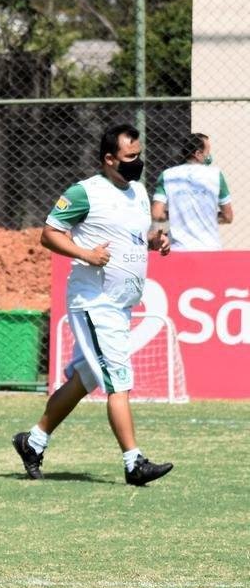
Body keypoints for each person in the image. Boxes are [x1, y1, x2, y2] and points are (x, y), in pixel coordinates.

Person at [12, 124, 174, 486]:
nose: (138, 163)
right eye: (130, 157)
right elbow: (49, 233)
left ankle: (33, 441)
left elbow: (133, 236)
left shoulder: (139, 192)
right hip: (94, 301)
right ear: (109, 158)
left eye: (139, 155)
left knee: (87, 378)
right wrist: (86, 253)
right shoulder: (84, 192)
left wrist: (155, 241)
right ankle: (134, 463)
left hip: (121, 304)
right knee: (118, 378)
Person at [151, 132, 233, 251]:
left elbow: (157, 214)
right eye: (207, 152)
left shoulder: (167, 175)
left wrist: (177, 215)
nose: (209, 156)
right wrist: (205, 215)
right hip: (210, 248)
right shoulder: (216, 175)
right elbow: (228, 217)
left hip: (178, 249)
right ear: (198, 154)